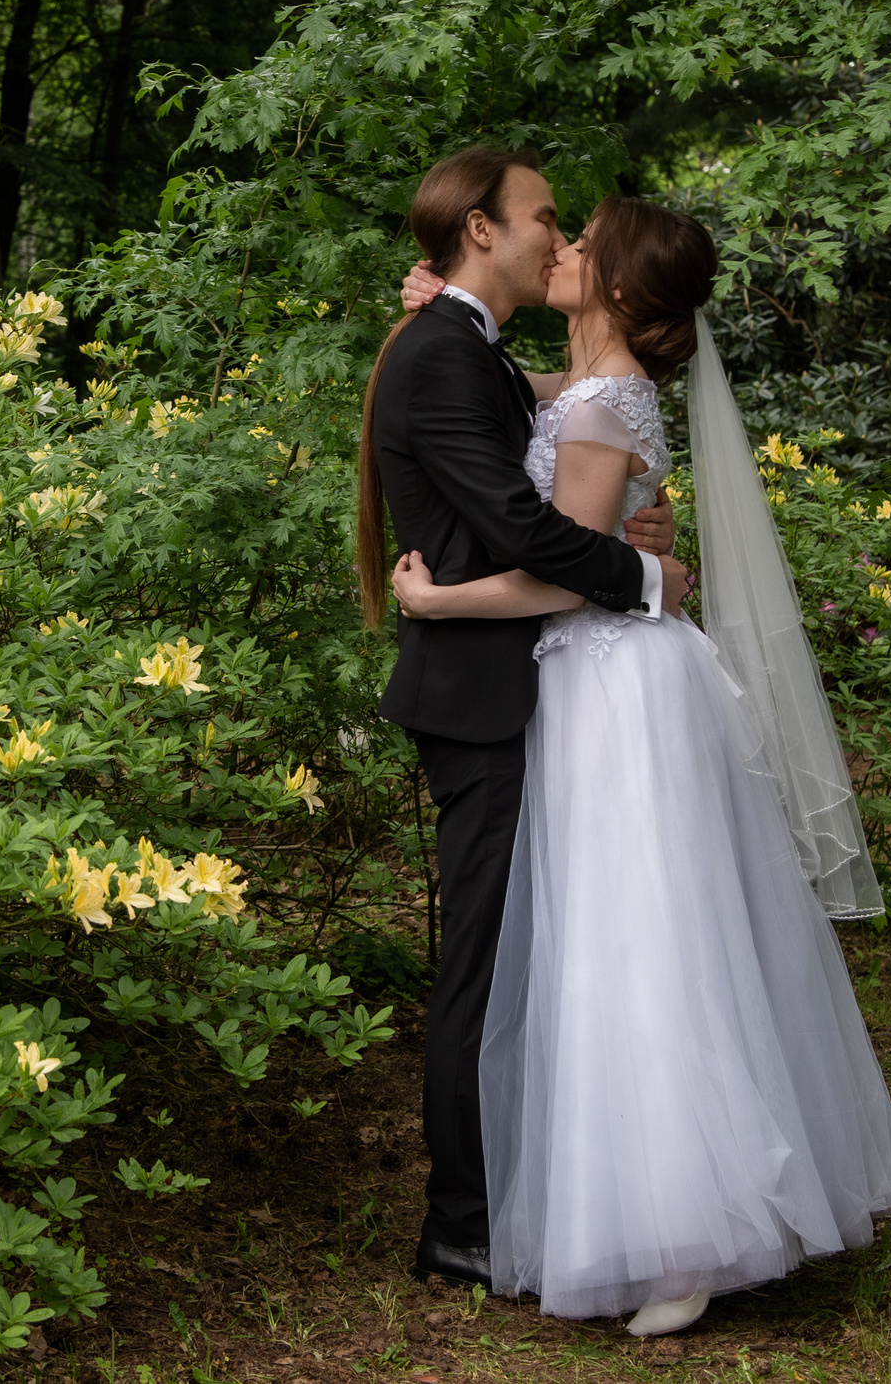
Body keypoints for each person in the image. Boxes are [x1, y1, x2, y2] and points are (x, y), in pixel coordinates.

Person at [381, 192, 891, 1336]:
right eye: (552, 229)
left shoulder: (605, 394)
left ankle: (688, 1227)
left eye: (579, 245)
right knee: (626, 937)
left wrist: (435, 596)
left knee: (644, 939)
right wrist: (451, 310)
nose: (560, 247)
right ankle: (645, 1201)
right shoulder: (590, 389)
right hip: (602, 676)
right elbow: (539, 406)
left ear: (619, 291)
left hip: (605, 676)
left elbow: (561, 568)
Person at [357, 148, 694, 1298]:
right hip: (485, 687)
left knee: (524, 961)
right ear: (482, 232)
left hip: (528, 682)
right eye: (544, 218)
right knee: (486, 969)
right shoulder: (451, 355)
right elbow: (519, 525)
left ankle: (522, 1198)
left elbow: (565, 426)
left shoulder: (476, 352)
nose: (558, 237)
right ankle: (463, 1222)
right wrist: (638, 572)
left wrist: (620, 533)